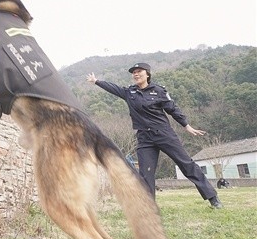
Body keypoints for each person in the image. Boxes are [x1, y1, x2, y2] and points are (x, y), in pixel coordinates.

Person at [86, 62, 223, 209]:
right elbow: (114, 89)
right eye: (134, 72)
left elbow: (173, 109)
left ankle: (213, 198)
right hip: (144, 137)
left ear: (147, 74)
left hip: (164, 134)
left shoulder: (159, 91)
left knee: (186, 164)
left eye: (139, 71)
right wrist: (97, 81)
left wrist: (186, 126)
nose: (136, 74)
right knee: (146, 173)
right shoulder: (130, 93)